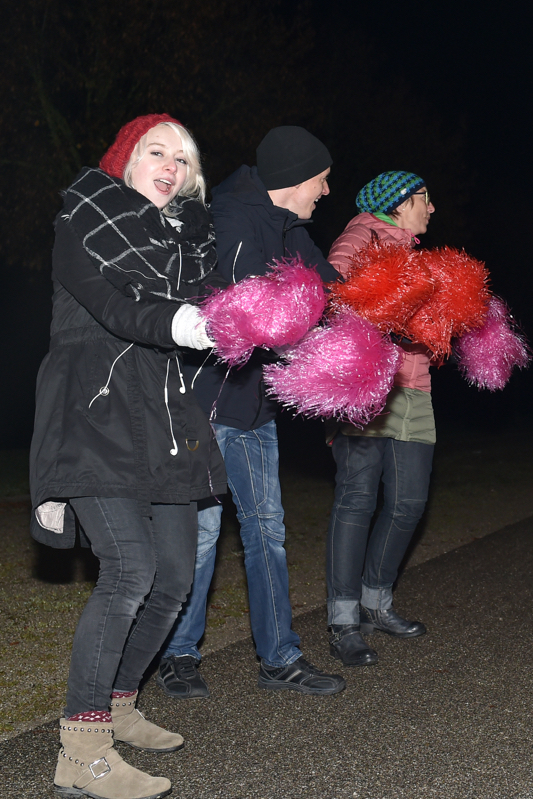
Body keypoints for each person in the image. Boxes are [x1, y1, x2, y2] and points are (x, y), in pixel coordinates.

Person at [29, 114, 227, 799]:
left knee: (174, 575)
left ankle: (117, 705)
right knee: (129, 570)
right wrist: (182, 322)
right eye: (156, 151)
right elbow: (117, 310)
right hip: (95, 409)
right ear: (125, 157)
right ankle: (82, 751)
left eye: (183, 157)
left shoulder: (187, 247)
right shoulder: (83, 220)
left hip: (161, 416)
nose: (171, 165)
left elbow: (208, 318)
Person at [155, 127, 347, 698]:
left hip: (255, 405)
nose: (328, 188)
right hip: (211, 401)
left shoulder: (291, 227)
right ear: (295, 177)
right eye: (322, 176)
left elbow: (330, 292)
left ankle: (271, 656)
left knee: (261, 531)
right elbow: (248, 314)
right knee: (212, 532)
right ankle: (182, 653)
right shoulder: (232, 222)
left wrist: (390, 302)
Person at [323, 171, 438, 666]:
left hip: (414, 388)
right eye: (425, 199)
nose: (432, 209)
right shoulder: (361, 236)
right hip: (367, 387)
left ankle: (376, 602)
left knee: (409, 502)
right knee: (357, 500)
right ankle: (344, 620)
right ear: (399, 203)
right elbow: (333, 295)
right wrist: (394, 308)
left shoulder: (416, 252)